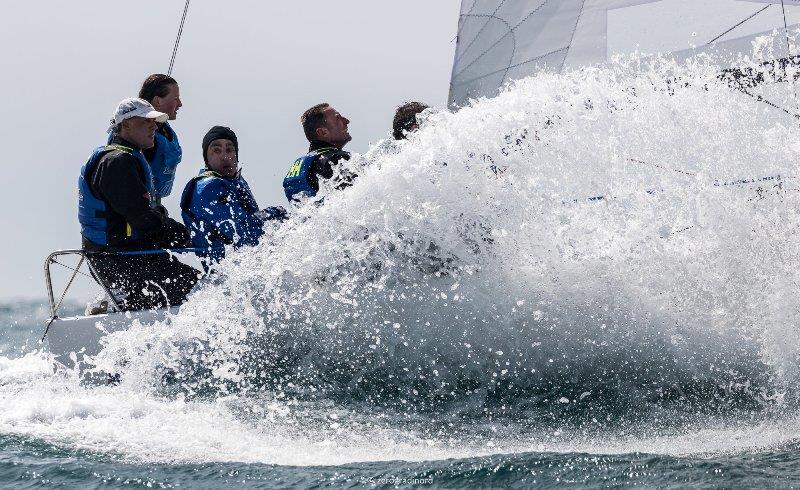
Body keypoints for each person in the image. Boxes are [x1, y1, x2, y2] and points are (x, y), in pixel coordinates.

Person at [80, 98, 199, 311]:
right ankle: (122, 307)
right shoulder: (116, 162)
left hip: (127, 257)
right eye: (146, 121)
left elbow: (147, 215)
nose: (154, 126)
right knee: (199, 288)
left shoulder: (126, 158)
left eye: (154, 121)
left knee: (194, 285)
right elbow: (143, 219)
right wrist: (185, 235)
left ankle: (120, 307)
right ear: (126, 125)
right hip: (119, 260)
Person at [181, 126, 287, 269]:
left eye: (230, 150)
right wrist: (278, 214)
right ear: (206, 159)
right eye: (216, 150)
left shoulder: (235, 182)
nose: (225, 156)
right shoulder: (208, 188)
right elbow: (245, 234)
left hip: (252, 268)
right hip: (228, 277)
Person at [110, 74, 183, 202]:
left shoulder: (165, 130)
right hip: (135, 204)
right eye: (175, 99)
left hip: (152, 203)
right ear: (158, 101)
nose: (180, 104)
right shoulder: (137, 137)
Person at [283, 103, 353, 202]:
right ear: (323, 132)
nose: (346, 121)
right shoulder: (335, 158)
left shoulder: (302, 164)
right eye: (338, 119)